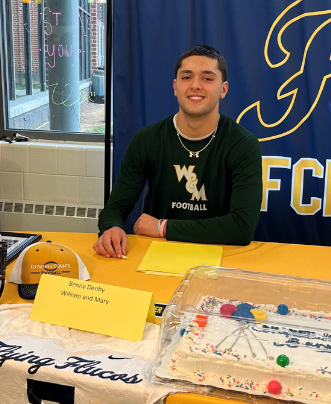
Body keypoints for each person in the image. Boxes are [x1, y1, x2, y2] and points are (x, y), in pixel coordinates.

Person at [94, 44, 262, 258]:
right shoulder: (147, 139)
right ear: (175, 86)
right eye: (186, 77)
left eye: (208, 78)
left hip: (218, 256)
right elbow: (115, 208)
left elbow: (241, 227)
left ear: (224, 89)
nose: (195, 85)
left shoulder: (243, 144)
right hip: (158, 255)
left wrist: (164, 227)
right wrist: (111, 227)